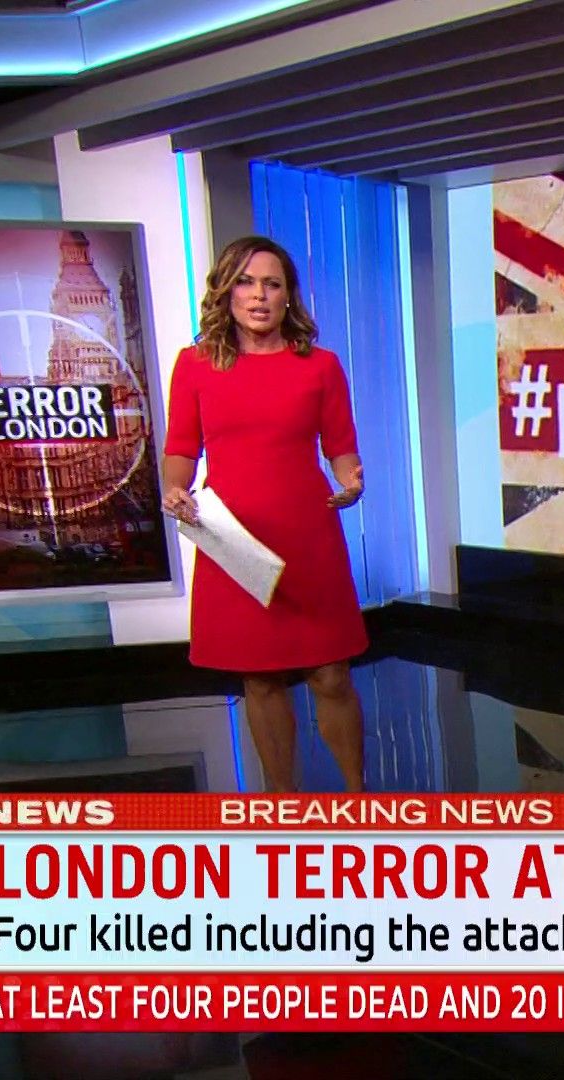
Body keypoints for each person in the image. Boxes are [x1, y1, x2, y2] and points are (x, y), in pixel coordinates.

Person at [161, 236, 368, 792]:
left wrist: (351, 480)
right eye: (246, 283)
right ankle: (284, 806)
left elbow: (340, 447)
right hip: (235, 539)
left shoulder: (320, 366)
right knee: (261, 678)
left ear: (287, 296)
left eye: (272, 284)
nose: (259, 295)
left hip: (308, 537)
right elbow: (181, 448)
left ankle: (358, 799)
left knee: (331, 674)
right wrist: (174, 489)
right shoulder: (196, 366)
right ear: (226, 293)